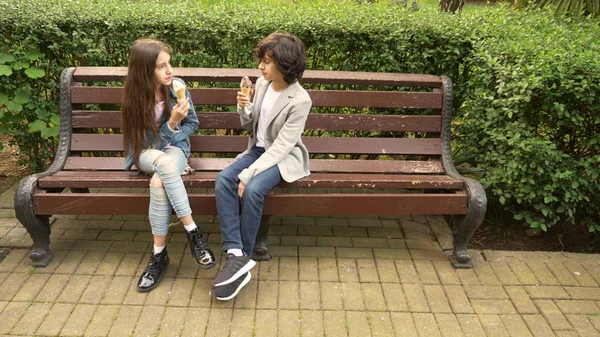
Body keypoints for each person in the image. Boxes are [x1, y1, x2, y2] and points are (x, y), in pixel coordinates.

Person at [211, 31, 312, 301]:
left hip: (283, 158)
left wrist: (248, 174)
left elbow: (281, 147)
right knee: (223, 180)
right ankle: (236, 253)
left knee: (254, 189)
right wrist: (244, 108)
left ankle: (240, 257)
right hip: (256, 150)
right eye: (262, 61)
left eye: (267, 62)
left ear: (285, 64)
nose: (260, 66)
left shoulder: (300, 100)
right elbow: (251, 125)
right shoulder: (263, 84)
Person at [121, 38, 216, 293]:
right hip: (145, 153)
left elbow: (192, 124)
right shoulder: (134, 99)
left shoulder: (178, 88)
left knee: (159, 180)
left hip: (176, 151)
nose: (170, 70)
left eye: (169, 64)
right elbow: (145, 142)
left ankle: (158, 255)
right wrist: (171, 124)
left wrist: (176, 128)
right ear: (145, 71)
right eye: (162, 66)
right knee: (161, 163)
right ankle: (194, 233)